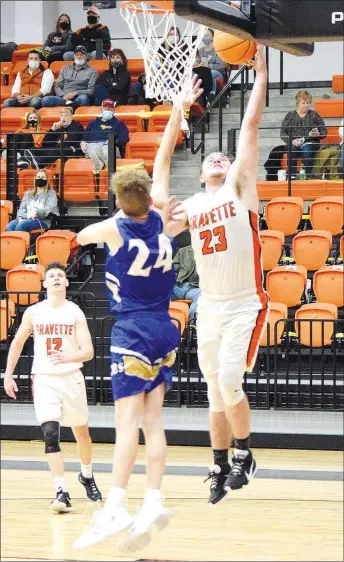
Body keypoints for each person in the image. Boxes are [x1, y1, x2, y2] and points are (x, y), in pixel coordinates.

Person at [73, 76, 203, 552]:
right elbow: (165, 155)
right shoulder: (162, 217)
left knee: (126, 422)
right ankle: (152, 499)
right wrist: (178, 109)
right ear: (150, 196)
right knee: (153, 422)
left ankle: (115, 505)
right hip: (166, 328)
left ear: (118, 202)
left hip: (130, 331)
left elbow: (80, 237)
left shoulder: (113, 229)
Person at [167, 45, 268, 505]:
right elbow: (160, 174)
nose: (216, 158)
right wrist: (176, 112)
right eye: (209, 158)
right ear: (201, 172)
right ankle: (219, 463)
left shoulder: (239, 188)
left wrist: (261, 72)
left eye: (222, 158)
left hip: (245, 300)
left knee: (230, 379)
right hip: (208, 304)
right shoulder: (189, 207)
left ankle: (245, 454)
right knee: (214, 392)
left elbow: (248, 128)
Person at [3, 261, 102, 512]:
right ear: (44, 283)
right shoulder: (34, 312)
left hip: (71, 376)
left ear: (66, 282)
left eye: (60, 275)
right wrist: (8, 374)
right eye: (52, 276)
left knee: (82, 435)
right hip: (45, 377)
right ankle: (61, 490)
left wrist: (71, 357)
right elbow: (16, 343)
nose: (57, 278)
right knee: (50, 434)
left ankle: (87, 475)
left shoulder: (74, 312)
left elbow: (89, 350)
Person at [280, 90, 327, 179]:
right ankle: (292, 176)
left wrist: (318, 134)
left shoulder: (314, 115)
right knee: (292, 149)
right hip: (294, 142)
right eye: (303, 103)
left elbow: (324, 132)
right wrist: (291, 141)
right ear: (297, 103)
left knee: (306, 149)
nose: (306, 105)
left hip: (310, 142)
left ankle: (307, 176)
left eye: (308, 103)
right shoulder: (290, 116)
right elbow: (282, 132)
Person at [81, 99, 129, 173]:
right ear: (101, 109)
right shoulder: (92, 123)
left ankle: (104, 170)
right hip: (94, 146)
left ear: (114, 110)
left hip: (110, 146)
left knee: (106, 149)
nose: (107, 109)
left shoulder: (119, 124)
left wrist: (113, 141)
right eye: (105, 107)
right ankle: (102, 168)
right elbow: (85, 137)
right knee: (92, 147)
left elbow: (124, 139)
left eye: (110, 107)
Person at [172, 241, 201, 320]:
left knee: (201, 296)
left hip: (196, 288)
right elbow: (172, 270)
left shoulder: (211, 254)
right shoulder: (182, 251)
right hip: (179, 286)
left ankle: (192, 326)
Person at [198, 29, 227, 98]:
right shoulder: (199, 51)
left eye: (207, 35)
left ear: (213, 37)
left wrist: (207, 66)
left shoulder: (218, 49)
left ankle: (211, 96)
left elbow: (220, 65)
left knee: (211, 73)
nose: (205, 37)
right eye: (203, 35)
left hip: (217, 73)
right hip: (203, 74)